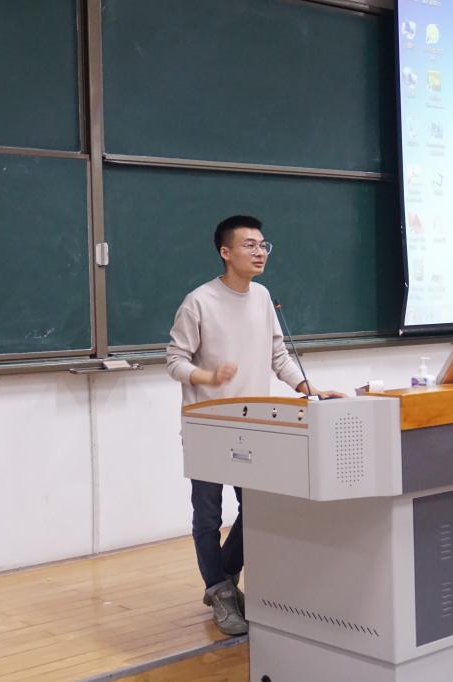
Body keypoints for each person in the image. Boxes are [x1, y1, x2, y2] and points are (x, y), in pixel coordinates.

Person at [166, 214, 345, 636]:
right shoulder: (199, 301)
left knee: (258, 508)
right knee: (208, 515)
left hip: (252, 424)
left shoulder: (262, 297)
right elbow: (174, 361)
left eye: (263, 245)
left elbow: (278, 355)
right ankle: (221, 592)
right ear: (225, 252)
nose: (260, 252)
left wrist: (309, 388)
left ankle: (223, 579)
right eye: (249, 245)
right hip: (208, 425)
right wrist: (207, 376)